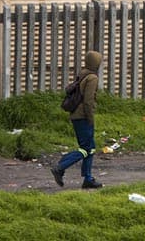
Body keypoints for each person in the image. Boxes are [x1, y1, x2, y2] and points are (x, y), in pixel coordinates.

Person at [51, 49, 104, 189]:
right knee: (87, 148)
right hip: (83, 117)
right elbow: (88, 101)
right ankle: (61, 166)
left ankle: (88, 178)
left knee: (90, 148)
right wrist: (90, 118)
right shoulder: (92, 78)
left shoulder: (83, 74)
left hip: (76, 116)